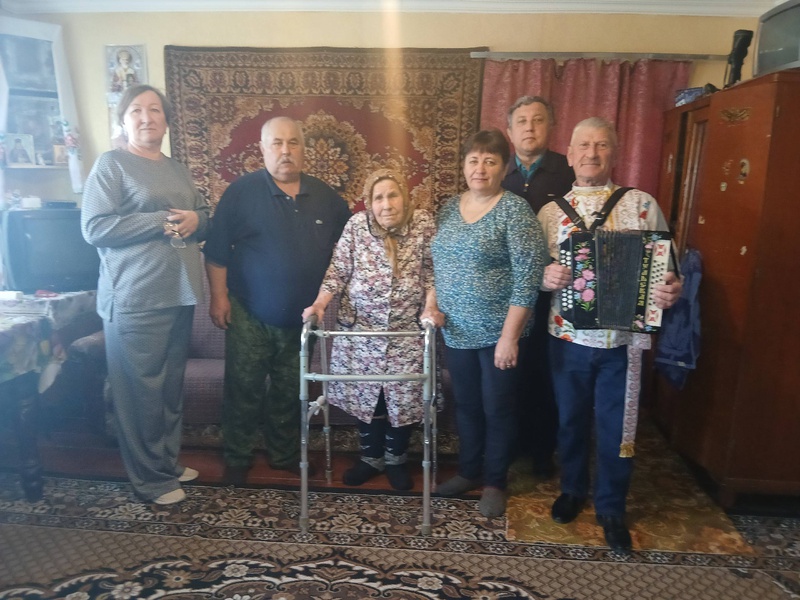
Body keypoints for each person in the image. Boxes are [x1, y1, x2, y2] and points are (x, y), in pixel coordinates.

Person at [538, 117, 683, 553]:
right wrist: (545, 277)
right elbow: (533, 273)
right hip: (566, 339)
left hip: (624, 343)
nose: (592, 153)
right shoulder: (550, 212)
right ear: (570, 154)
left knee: (617, 427)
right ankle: (572, 489)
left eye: (601, 145)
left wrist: (670, 288)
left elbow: (668, 269)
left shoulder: (642, 204)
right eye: (583, 145)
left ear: (614, 153)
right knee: (569, 420)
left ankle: (611, 506)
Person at [81, 84, 211, 505]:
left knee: (169, 390)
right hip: (135, 298)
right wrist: (160, 221)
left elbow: (202, 216)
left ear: (166, 121)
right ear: (123, 120)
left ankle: (166, 464)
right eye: (136, 110)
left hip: (179, 294)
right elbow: (95, 227)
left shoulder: (177, 169)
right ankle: (150, 481)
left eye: (155, 110)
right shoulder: (112, 164)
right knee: (140, 395)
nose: (146, 117)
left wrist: (197, 220)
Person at [203, 116, 351, 486]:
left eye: (293, 142)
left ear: (304, 148)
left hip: (302, 320)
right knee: (244, 387)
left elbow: (353, 244)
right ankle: (237, 456)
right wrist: (218, 298)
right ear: (263, 149)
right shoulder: (241, 192)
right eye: (277, 143)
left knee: (290, 391)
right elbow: (216, 252)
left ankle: (283, 455)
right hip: (248, 312)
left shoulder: (326, 197)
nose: (286, 151)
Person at [302, 169, 444, 491]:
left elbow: (432, 273)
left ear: (404, 196)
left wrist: (430, 307)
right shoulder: (356, 226)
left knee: (402, 396)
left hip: (406, 331)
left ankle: (395, 459)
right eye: (378, 198)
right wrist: (320, 304)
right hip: (361, 333)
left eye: (393, 195)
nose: (386, 204)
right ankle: (371, 458)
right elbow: (338, 271)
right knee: (368, 396)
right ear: (369, 202)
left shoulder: (422, 223)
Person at [431, 129, 546, 518]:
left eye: (490, 161)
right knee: (466, 405)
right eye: (473, 160)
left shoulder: (515, 211)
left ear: (503, 167)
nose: (480, 169)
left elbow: (528, 278)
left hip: (500, 333)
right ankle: (468, 471)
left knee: (498, 408)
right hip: (457, 332)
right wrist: (433, 305)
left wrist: (509, 338)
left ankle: (495, 481)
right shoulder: (449, 208)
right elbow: (437, 266)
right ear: (464, 165)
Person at [502, 95, 574, 479]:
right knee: (511, 371)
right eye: (522, 121)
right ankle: (511, 445)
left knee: (546, 372)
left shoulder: (568, 171)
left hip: (554, 294)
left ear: (551, 126)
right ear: (510, 131)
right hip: (506, 294)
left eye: (538, 120)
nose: (529, 128)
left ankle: (543, 450)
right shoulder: (497, 173)